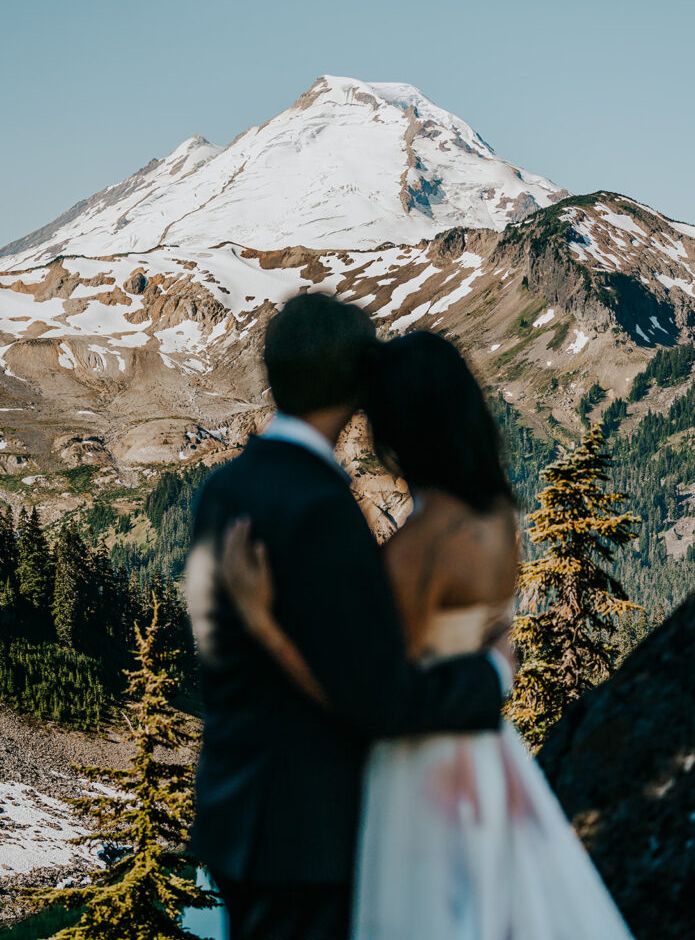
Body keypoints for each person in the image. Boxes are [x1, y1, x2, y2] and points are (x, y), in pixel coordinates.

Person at [223, 331, 636, 939]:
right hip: (486, 753)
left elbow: (367, 700)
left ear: (401, 427)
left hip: (420, 770)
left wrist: (263, 622)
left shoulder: (419, 547)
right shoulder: (496, 517)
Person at [185, 296, 511, 940]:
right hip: (309, 834)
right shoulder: (323, 509)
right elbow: (376, 695)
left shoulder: (223, 490)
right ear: (357, 384)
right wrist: (494, 675)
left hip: (234, 810)